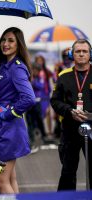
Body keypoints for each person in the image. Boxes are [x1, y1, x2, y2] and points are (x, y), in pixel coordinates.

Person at [0, 27, 36, 194]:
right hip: (1, 127)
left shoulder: (16, 68)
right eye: (3, 40)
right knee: (10, 178)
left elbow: (29, 98)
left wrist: (9, 113)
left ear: (19, 45)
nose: (5, 44)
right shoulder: (3, 65)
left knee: (1, 180)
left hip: (8, 129)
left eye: (10, 40)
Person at [50, 39, 92, 190]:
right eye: (77, 51)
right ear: (71, 54)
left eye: (84, 51)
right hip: (69, 129)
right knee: (68, 172)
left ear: (90, 54)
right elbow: (55, 101)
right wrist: (69, 111)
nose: (81, 54)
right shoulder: (63, 75)